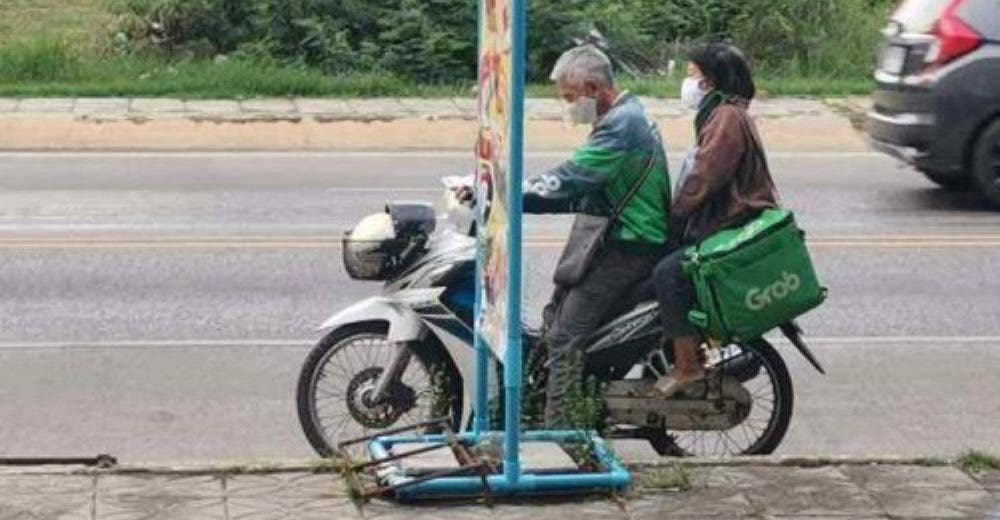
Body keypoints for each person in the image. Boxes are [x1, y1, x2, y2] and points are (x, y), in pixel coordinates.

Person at [523, 45, 671, 428]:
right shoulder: (621, 115)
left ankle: (563, 437)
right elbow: (584, 189)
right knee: (553, 322)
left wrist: (511, 194)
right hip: (612, 239)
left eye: (571, 98)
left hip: (630, 245)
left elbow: (573, 178)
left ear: (593, 87)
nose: (569, 107)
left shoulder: (622, 124)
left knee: (566, 338)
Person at [652, 43, 779, 397]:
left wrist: (674, 218)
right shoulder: (722, 114)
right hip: (723, 223)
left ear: (711, 81)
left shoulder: (726, 118)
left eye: (692, 75)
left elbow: (704, 177)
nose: (687, 82)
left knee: (668, 274)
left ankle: (689, 366)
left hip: (732, 226)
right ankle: (687, 347)